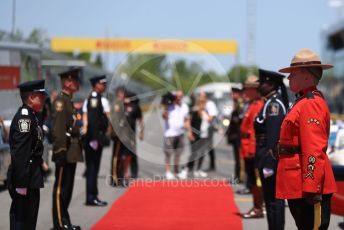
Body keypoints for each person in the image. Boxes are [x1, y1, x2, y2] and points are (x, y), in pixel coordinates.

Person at [276, 48, 337, 229]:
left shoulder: (310, 104)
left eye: (292, 74)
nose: (288, 78)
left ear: (307, 76)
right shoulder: (302, 101)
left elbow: (314, 148)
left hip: (307, 185)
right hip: (297, 180)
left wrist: (312, 186)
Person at [6, 80, 47, 230]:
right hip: (25, 177)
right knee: (21, 220)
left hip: (31, 176)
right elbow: (21, 154)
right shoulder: (25, 119)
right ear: (31, 97)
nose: (44, 99)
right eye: (41, 96)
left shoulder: (32, 116)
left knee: (28, 221)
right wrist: (21, 183)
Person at [254, 69, 289, 229]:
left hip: (270, 159)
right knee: (269, 199)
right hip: (264, 156)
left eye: (262, 83)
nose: (259, 85)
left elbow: (273, 137)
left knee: (274, 200)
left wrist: (269, 163)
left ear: (272, 84)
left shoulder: (274, 104)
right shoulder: (268, 101)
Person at [51, 68, 83, 230]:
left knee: (68, 189)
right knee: (60, 189)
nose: (78, 83)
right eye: (75, 80)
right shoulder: (60, 101)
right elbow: (57, 129)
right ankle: (59, 223)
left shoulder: (68, 100)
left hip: (72, 151)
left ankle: (65, 219)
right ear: (67, 82)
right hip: (64, 150)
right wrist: (60, 150)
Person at [82, 75, 109, 206]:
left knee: (93, 168)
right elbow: (92, 121)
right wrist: (94, 139)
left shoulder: (97, 98)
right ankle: (91, 197)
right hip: (94, 139)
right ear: (95, 84)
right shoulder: (94, 98)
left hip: (95, 138)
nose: (104, 86)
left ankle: (93, 195)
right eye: (102, 84)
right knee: (92, 168)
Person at [240, 75, 264, 219]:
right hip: (247, 147)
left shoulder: (258, 105)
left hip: (252, 149)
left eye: (247, 89)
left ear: (255, 90)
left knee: (256, 181)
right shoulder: (252, 104)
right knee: (253, 180)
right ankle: (258, 206)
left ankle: (258, 208)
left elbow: (255, 131)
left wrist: (251, 150)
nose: (245, 92)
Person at [178, 93, 212, 179]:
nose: (203, 103)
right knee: (194, 153)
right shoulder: (194, 111)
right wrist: (190, 132)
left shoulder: (206, 111)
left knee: (202, 153)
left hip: (204, 135)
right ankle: (186, 169)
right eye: (201, 102)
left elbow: (209, 120)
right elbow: (187, 122)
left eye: (204, 102)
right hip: (196, 134)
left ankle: (198, 170)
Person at [162, 90, 189, 179]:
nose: (179, 98)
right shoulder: (169, 105)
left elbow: (186, 119)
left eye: (181, 96)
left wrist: (189, 131)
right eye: (177, 96)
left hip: (180, 133)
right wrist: (166, 107)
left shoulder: (184, 106)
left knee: (178, 153)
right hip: (170, 133)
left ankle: (176, 170)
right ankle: (168, 171)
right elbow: (164, 116)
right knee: (168, 153)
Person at [120, 91, 144, 181]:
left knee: (131, 154)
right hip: (121, 134)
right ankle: (122, 172)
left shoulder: (135, 107)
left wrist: (142, 132)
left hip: (131, 134)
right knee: (122, 155)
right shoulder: (121, 106)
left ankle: (132, 172)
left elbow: (141, 120)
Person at [226, 87, 244, 182]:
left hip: (238, 135)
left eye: (234, 93)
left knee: (239, 158)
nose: (232, 95)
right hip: (235, 135)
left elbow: (240, 120)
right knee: (237, 158)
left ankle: (240, 177)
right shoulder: (236, 104)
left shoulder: (240, 104)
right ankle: (237, 176)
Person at [110, 86, 126, 186]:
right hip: (118, 134)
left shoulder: (121, 104)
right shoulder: (117, 104)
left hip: (122, 133)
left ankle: (120, 177)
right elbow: (115, 119)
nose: (123, 95)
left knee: (120, 156)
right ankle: (115, 177)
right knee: (116, 156)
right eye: (122, 93)